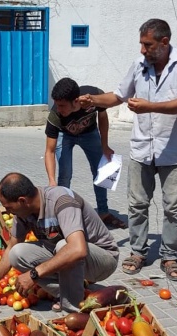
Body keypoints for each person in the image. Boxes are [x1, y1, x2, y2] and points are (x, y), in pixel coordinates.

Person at [79, 19, 177, 281]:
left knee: (173, 208)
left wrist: (150, 107)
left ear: (164, 42)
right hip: (142, 149)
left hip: (176, 151)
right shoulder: (139, 65)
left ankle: (169, 257)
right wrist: (92, 100)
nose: (142, 50)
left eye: (147, 44)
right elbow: (118, 96)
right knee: (137, 205)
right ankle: (138, 251)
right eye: (141, 44)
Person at [0, 173, 119, 312]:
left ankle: (74, 310)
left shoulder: (61, 200)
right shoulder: (23, 212)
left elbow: (78, 249)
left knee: (64, 246)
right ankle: (68, 292)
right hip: (68, 255)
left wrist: (34, 274)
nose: (9, 212)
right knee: (17, 253)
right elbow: (11, 247)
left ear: (22, 200)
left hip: (103, 259)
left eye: (9, 208)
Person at [45, 77, 127, 229]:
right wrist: (51, 180)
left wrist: (105, 145)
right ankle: (64, 215)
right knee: (65, 174)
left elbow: (103, 118)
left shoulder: (94, 97)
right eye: (56, 104)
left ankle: (103, 212)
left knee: (100, 172)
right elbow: (49, 151)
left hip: (90, 133)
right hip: (66, 136)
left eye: (62, 105)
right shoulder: (55, 115)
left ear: (75, 101)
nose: (59, 109)